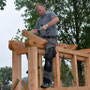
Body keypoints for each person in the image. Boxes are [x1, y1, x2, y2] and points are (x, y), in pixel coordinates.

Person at [23, 3, 59, 88]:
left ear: (44, 8)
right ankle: (34, 65)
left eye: (40, 10)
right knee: (28, 45)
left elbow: (56, 19)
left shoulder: (50, 14)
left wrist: (47, 25)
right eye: (37, 11)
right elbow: (35, 30)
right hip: (42, 38)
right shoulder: (39, 20)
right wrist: (27, 32)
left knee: (49, 56)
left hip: (51, 38)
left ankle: (47, 81)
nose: (39, 12)